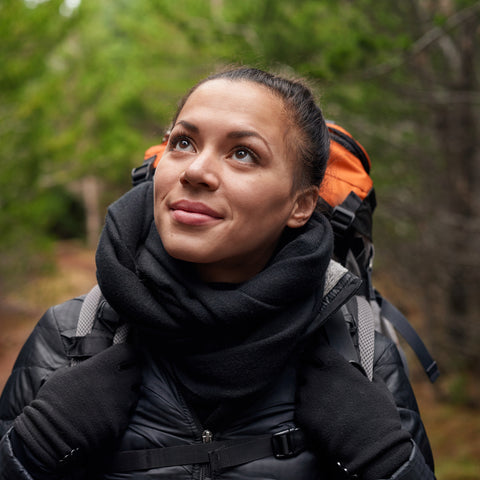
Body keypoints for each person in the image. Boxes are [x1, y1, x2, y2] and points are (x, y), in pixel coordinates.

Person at [0, 67, 435, 479]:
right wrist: (34, 449)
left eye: (242, 154)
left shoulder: (357, 350)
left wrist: (385, 460)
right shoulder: (70, 334)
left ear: (299, 205)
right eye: (184, 143)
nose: (195, 171)